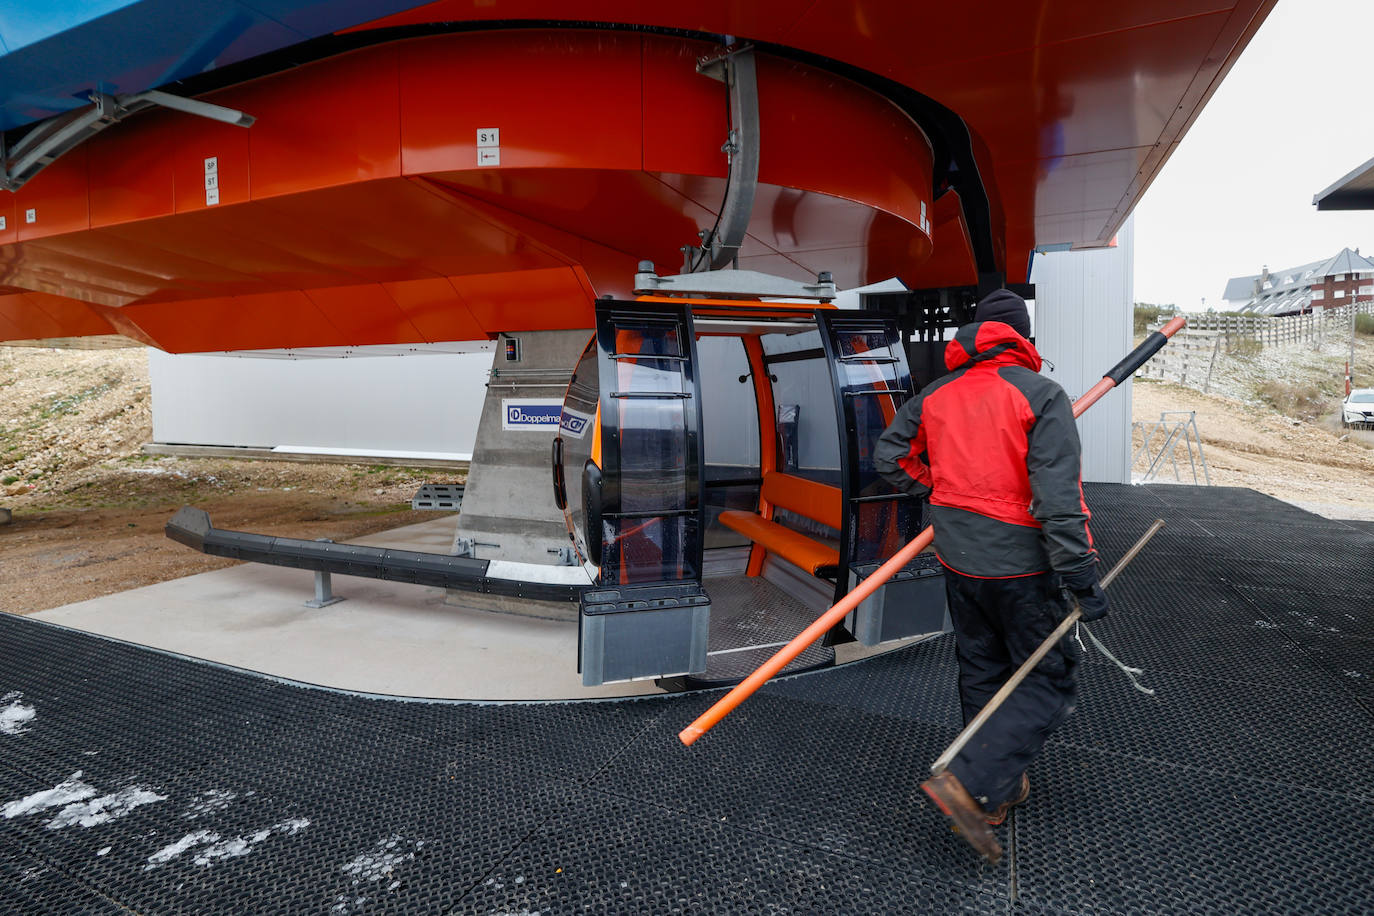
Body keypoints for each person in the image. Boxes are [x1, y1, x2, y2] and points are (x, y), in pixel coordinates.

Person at [874, 289, 1107, 842]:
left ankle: (996, 792)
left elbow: (890, 456)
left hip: (960, 562)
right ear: (1023, 338)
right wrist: (1080, 575)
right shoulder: (1042, 394)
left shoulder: (936, 394)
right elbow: (1058, 498)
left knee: (982, 668)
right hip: (1024, 568)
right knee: (1047, 676)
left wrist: (939, 491)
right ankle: (976, 784)